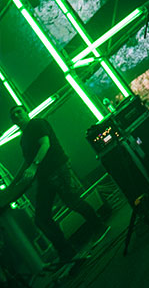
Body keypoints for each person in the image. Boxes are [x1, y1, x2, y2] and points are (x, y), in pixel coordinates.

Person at [9, 106, 109, 264]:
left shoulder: (37, 123)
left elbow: (45, 144)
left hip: (57, 168)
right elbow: (27, 161)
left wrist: (34, 166)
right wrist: (13, 184)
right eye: (13, 115)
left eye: (18, 111)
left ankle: (99, 226)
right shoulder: (23, 139)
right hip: (44, 177)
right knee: (41, 217)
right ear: (13, 122)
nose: (16, 115)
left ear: (26, 112)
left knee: (72, 201)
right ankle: (67, 252)